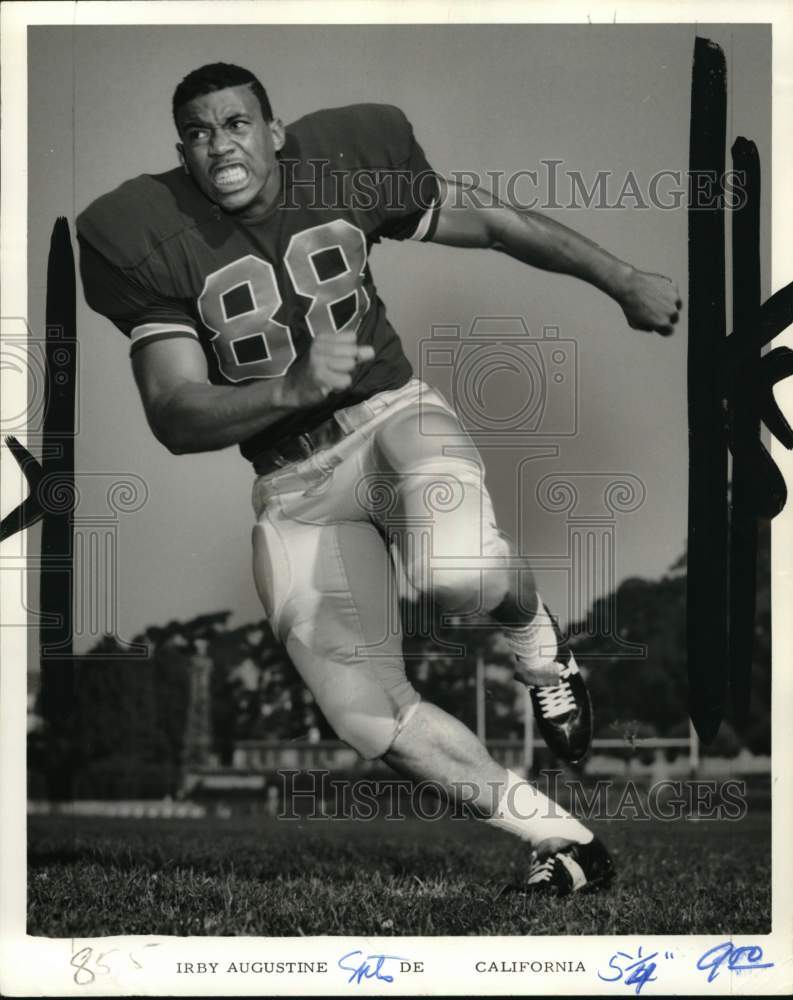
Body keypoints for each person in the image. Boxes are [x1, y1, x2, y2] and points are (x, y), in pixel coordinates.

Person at [77, 62, 680, 896]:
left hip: (390, 420)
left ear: (275, 132)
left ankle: (540, 649)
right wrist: (288, 390)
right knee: (363, 715)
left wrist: (621, 280)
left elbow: (494, 223)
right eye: (198, 132)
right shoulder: (143, 232)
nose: (220, 145)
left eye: (237, 123)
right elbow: (174, 413)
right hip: (291, 483)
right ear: (182, 151)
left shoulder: (346, 162)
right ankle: (565, 840)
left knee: (454, 571)